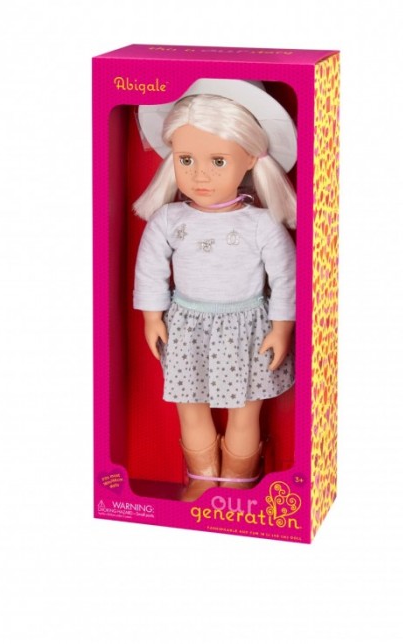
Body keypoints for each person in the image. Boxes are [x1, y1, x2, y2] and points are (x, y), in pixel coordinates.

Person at [133, 79, 297, 501]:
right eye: (186, 159)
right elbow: (150, 269)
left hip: (248, 329)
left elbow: (285, 276)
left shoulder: (261, 223)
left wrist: (281, 327)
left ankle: (239, 482)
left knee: (246, 411)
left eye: (218, 161)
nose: (199, 174)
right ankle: (202, 478)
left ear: (251, 159)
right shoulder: (169, 219)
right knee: (190, 407)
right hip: (186, 326)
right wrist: (152, 316)